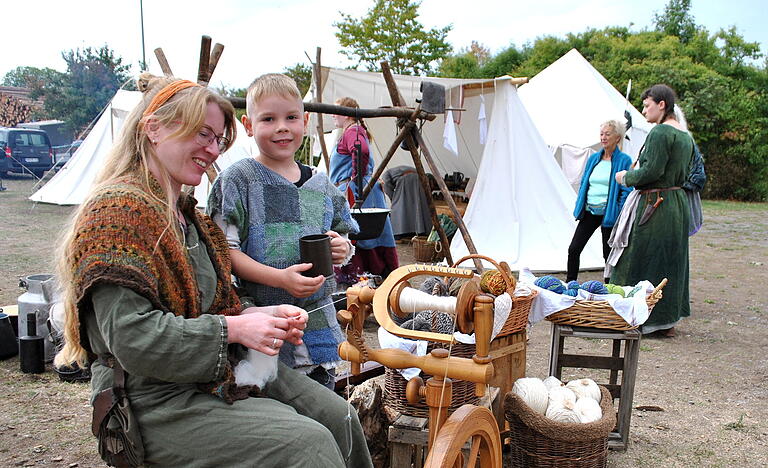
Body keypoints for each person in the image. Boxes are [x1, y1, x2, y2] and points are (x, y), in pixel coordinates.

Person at [53, 73, 372, 467]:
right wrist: (235, 328)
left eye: (217, 140)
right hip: (149, 397)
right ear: (153, 128)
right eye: (201, 134)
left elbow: (213, 305)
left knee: (340, 418)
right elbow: (133, 340)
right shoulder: (118, 214)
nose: (212, 150)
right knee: (307, 444)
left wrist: (256, 314)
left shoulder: (191, 220)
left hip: (215, 370)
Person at [207, 74, 358, 390]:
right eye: (268, 119)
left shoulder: (321, 184)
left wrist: (343, 248)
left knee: (323, 404)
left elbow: (343, 236)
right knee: (273, 411)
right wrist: (280, 279)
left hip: (318, 325)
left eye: (291, 117)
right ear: (248, 125)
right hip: (263, 325)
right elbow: (225, 253)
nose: (282, 127)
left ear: (305, 121)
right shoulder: (239, 182)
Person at [613, 84, 694, 337]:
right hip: (676, 204)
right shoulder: (685, 135)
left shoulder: (660, 132)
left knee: (642, 258)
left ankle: (640, 317)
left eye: (647, 105)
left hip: (656, 204)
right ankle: (666, 321)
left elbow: (651, 172)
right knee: (670, 261)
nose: (644, 111)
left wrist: (626, 177)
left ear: (662, 105)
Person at [329, 97, 398, 283]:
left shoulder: (354, 131)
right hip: (361, 188)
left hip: (359, 191)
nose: (333, 114)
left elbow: (361, 152)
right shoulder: (353, 131)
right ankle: (371, 278)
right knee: (367, 233)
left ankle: (362, 277)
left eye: (336, 110)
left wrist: (356, 181)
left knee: (360, 234)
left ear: (346, 113)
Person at [567, 120, 633, 282]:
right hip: (589, 211)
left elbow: (626, 188)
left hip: (609, 214)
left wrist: (617, 210)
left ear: (617, 138)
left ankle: (609, 287)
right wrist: (580, 204)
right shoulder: (594, 158)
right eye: (601, 134)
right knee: (574, 248)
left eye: (607, 134)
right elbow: (584, 182)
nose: (603, 137)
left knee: (608, 254)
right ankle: (570, 284)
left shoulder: (624, 160)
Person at [382, 165, 432, 240]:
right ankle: (420, 230)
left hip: (405, 179)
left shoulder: (385, 175)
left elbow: (386, 186)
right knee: (417, 205)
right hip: (419, 178)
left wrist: (393, 198)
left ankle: (398, 233)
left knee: (397, 207)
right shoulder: (396, 171)